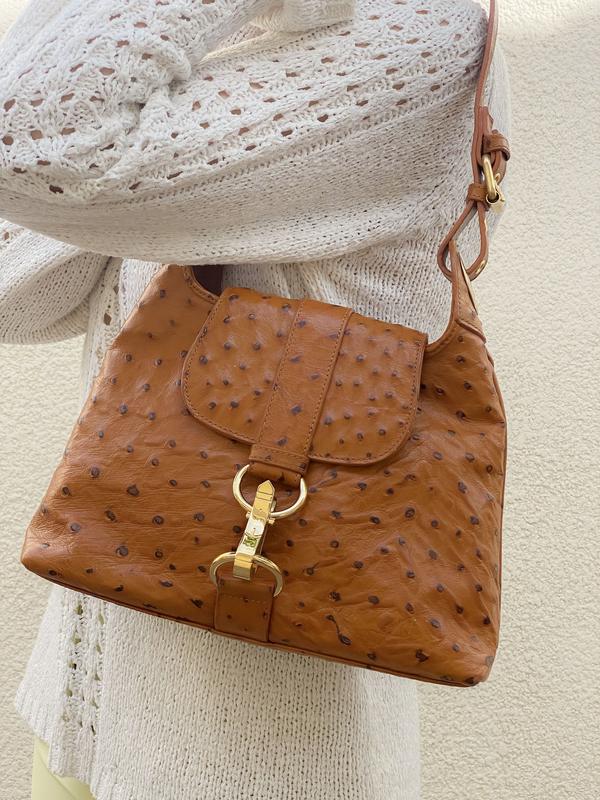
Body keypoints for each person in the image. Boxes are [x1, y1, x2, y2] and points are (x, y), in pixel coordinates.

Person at [0, 1, 509, 798]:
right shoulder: (226, 46)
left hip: (248, 764)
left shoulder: (419, 36)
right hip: (77, 716)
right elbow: (19, 291)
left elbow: (28, 138)